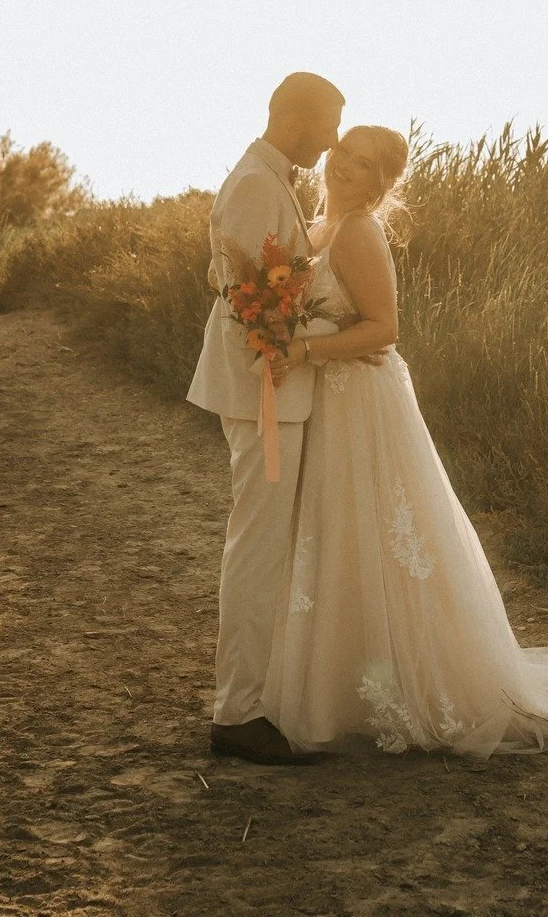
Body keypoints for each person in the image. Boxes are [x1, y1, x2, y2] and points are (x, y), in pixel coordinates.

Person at [259, 125, 548, 756]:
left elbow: (385, 329)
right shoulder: (319, 228)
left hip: (362, 400)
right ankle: (348, 675)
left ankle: (415, 682)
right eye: (341, 154)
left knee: (380, 530)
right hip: (330, 400)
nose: (344, 168)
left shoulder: (356, 231)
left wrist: (302, 348)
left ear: (382, 184)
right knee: (339, 532)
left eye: (362, 165)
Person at [186, 72, 349, 765]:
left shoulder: (265, 177)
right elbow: (253, 301)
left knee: (265, 546)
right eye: (328, 125)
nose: (333, 140)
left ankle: (258, 697)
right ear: (292, 116)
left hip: (272, 389)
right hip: (265, 393)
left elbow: (236, 279)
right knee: (256, 550)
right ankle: (238, 713)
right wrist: (296, 348)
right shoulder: (257, 182)